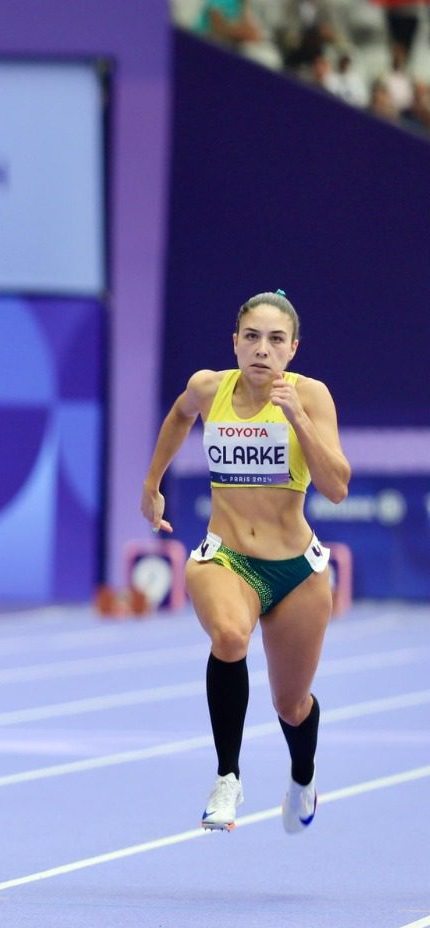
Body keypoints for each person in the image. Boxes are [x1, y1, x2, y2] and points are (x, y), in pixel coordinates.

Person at [140, 290, 350, 835]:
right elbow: (178, 416)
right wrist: (152, 481)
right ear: (235, 342)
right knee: (230, 637)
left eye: (275, 339)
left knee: (292, 705)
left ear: (293, 349)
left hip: (297, 571)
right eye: (251, 337)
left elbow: (337, 488)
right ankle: (227, 777)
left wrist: (298, 418)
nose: (262, 349)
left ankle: (302, 776)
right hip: (227, 557)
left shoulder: (313, 397)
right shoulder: (210, 388)